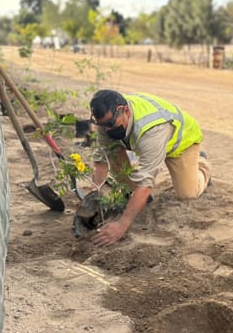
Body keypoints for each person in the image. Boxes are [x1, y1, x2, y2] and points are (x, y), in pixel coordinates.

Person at [88, 89, 211, 247]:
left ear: (125, 110)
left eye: (110, 124)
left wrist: (121, 225)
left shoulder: (152, 129)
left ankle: (201, 165)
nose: (107, 130)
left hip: (180, 144)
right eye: (102, 125)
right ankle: (132, 193)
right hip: (145, 144)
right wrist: (94, 196)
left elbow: (145, 184)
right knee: (112, 151)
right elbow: (101, 161)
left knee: (188, 193)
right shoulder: (107, 118)